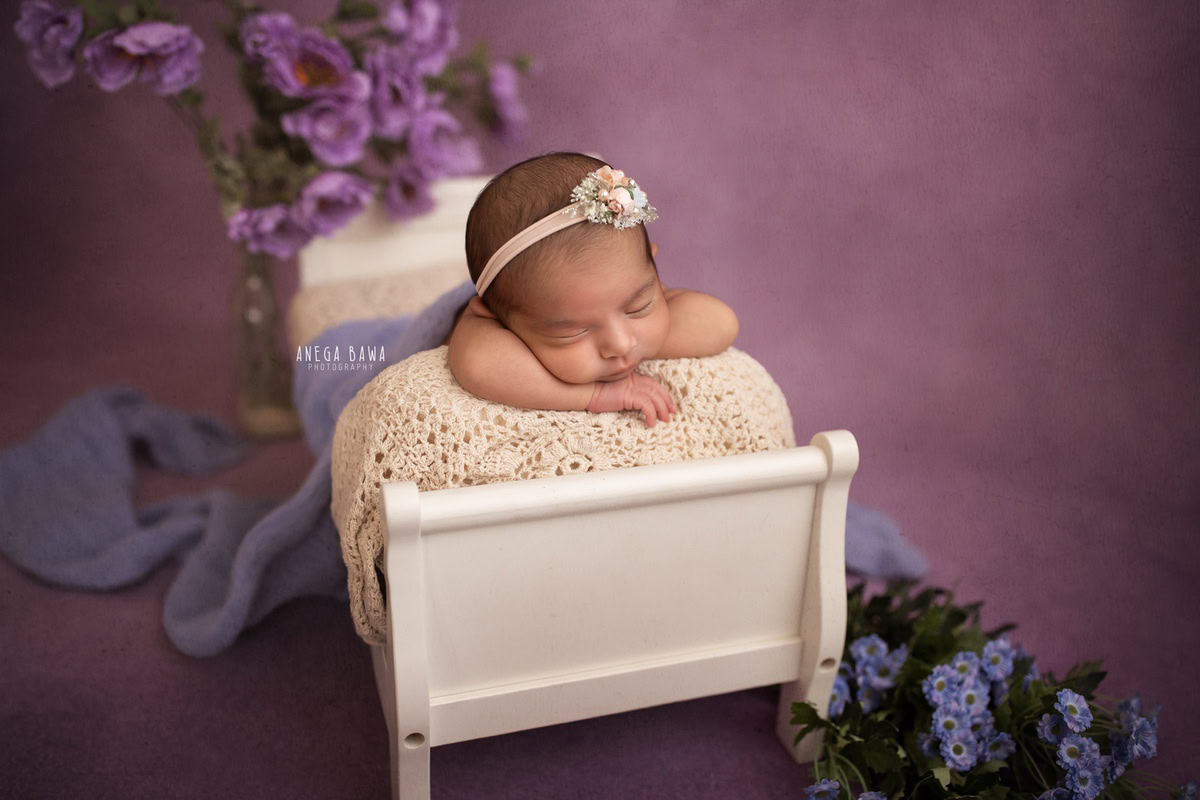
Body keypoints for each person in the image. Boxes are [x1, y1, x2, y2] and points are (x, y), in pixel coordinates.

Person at [448, 152, 738, 427]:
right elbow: (477, 365)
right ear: (496, 318)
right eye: (573, 332)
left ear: (653, 266)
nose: (621, 345)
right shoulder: (486, 323)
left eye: (638, 308)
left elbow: (720, 323)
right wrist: (595, 396)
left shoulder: (616, 290)